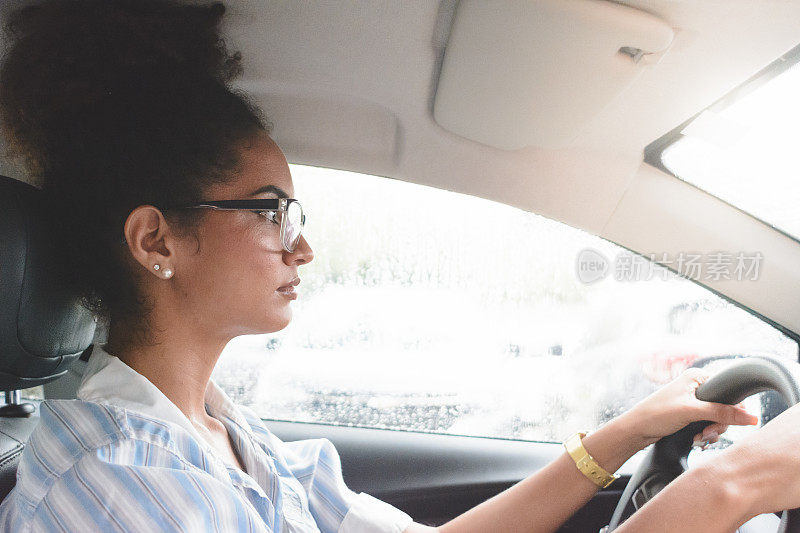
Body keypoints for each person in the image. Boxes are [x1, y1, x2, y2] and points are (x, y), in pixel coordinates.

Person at [0, 1, 797, 532]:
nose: (301, 247)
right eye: (270, 211)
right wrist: (728, 488)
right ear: (156, 241)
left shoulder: (220, 430)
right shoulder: (118, 484)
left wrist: (626, 432)